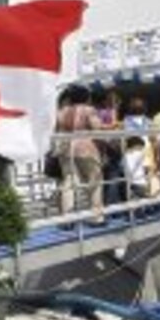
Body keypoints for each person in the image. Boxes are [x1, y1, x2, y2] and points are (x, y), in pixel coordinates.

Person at [54, 85, 106, 225]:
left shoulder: (61, 112)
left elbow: (58, 130)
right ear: (86, 97)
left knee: (69, 182)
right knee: (94, 181)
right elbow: (97, 128)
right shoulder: (89, 110)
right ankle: (97, 217)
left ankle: (67, 220)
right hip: (85, 148)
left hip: (65, 148)